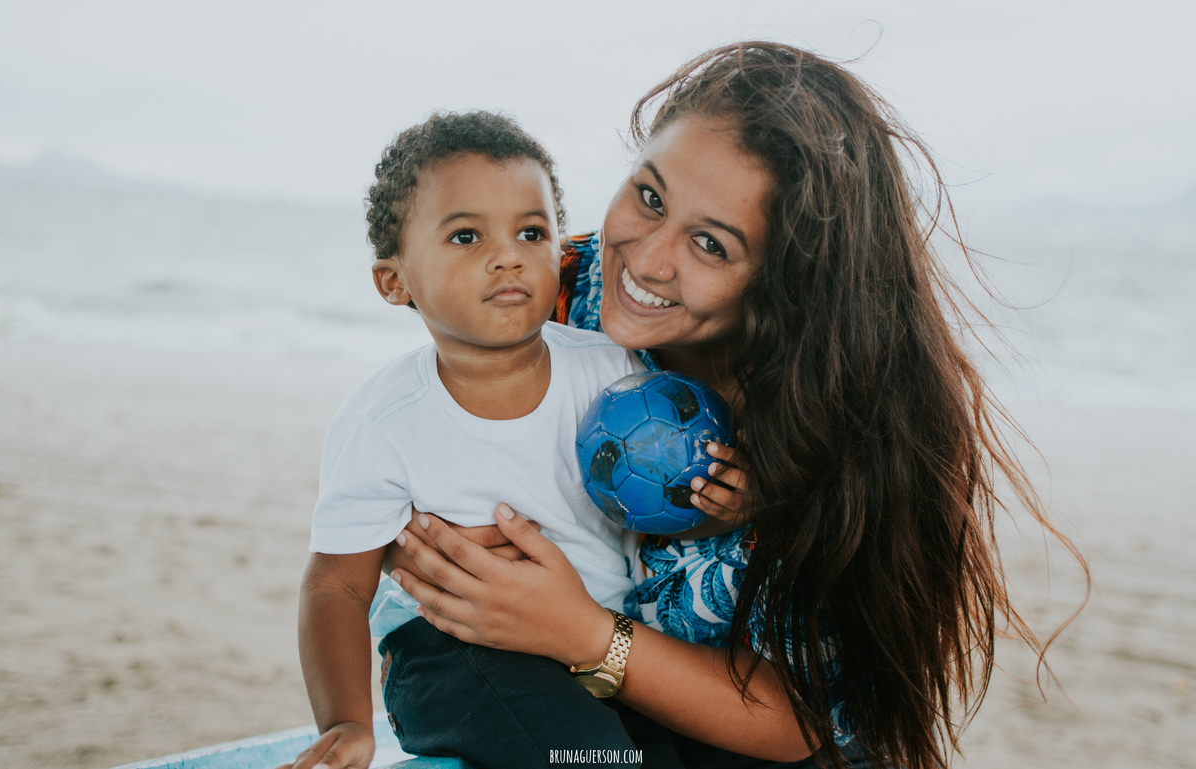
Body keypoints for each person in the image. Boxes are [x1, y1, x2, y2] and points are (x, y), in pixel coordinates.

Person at [379, 41, 1087, 769]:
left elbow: (805, 722)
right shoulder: (554, 293)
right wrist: (432, 554)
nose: (647, 260)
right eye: (649, 197)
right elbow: (404, 449)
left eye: (711, 245)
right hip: (577, 702)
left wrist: (587, 632)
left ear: (784, 280)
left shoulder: (843, 422)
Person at [285, 110, 754, 769]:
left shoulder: (612, 372)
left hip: (590, 644)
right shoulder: (384, 421)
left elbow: (649, 510)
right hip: (456, 651)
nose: (507, 254)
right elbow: (336, 585)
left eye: (531, 231)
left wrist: (720, 510)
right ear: (394, 281)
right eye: (466, 235)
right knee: (593, 762)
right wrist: (344, 720)